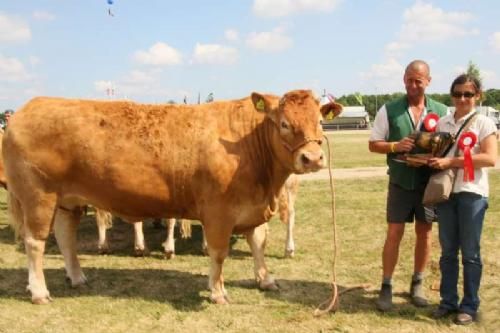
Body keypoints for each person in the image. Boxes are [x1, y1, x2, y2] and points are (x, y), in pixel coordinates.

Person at [369, 60, 448, 312]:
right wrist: (395, 146)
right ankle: (386, 286)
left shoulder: (441, 110)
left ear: (428, 81)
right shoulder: (389, 109)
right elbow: (373, 144)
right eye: (409, 79)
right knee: (394, 233)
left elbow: (449, 144)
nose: (413, 85)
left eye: (418, 80)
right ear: (403, 79)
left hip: (428, 184)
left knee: (425, 234)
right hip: (401, 183)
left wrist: (437, 153)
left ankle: (418, 284)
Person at [429, 74, 497, 325]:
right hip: (447, 194)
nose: (462, 99)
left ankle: (469, 305)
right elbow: (436, 153)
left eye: (468, 94)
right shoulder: (443, 122)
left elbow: (490, 158)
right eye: (457, 94)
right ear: (451, 95)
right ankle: (447, 302)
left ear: (478, 96)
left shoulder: (484, 123)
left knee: (470, 253)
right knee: (447, 253)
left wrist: (451, 162)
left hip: (472, 194)